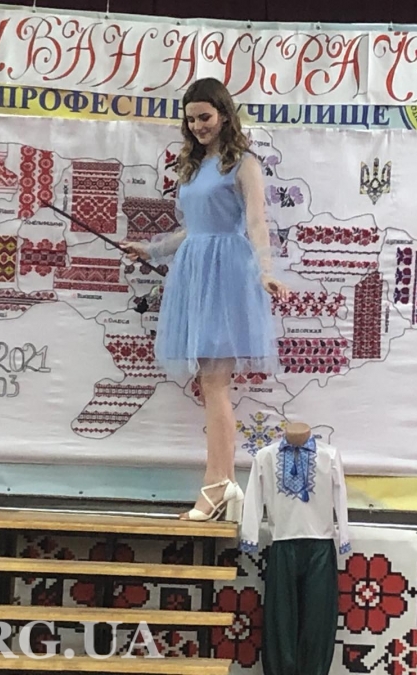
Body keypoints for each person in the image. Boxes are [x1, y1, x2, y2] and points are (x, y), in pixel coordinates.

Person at [122, 77, 287, 522]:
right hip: (195, 269)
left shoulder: (244, 163)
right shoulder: (193, 167)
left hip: (227, 272)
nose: (198, 126)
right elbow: (193, 228)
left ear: (225, 115)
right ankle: (221, 484)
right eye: (191, 119)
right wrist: (151, 250)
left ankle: (217, 486)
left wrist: (266, 271)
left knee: (215, 383)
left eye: (205, 117)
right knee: (210, 383)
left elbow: (256, 222)